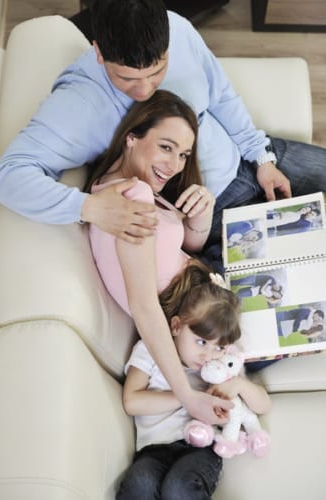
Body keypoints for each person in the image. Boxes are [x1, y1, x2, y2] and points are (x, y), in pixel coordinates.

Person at [0, 0, 326, 261]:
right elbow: (7, 176)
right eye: (127, 79)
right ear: (98, 52)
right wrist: (88, 208)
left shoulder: (178, 30)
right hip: (211, 216)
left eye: (157, 72)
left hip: (248, 158)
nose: (145, 90)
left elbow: (221, 94)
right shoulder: (79, 104)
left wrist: (261, 157)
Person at [88, 88, 235, 426]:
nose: (174, 165)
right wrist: (187, 396)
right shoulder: (133, 197)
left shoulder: (126, 185)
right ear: (131, 137)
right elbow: (143, 306)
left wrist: (203, 213)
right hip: (204, 318)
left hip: (206, 282)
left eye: (183, 154)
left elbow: (188, 248)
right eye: (166, 147)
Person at [116, 261, 271, 500]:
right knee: (140, 484)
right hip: (153, 450)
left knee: (179, 488)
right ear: (176, 326)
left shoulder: (221, 365)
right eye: (201, 342)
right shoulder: (150, 349)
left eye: (218, 347)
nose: (208, 355)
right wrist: (187, 398)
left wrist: (239, 385)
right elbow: (132, 402)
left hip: (203, 447)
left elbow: (263, 405)